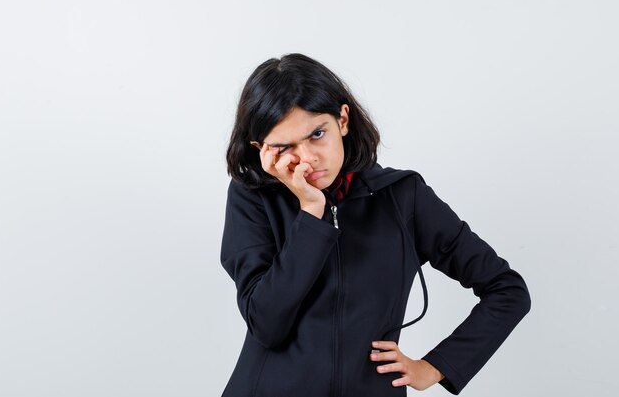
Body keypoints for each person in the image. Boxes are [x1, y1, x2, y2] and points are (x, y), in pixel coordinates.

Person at [219, 53, 531, 397]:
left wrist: (437, 366)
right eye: (284, 146)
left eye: (317, 134)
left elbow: (507, 290)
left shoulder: (403, 197)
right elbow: (267, 324)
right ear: (262, 150)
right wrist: (311, 211)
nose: (307, 158)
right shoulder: (253, 198)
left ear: (343, 120)